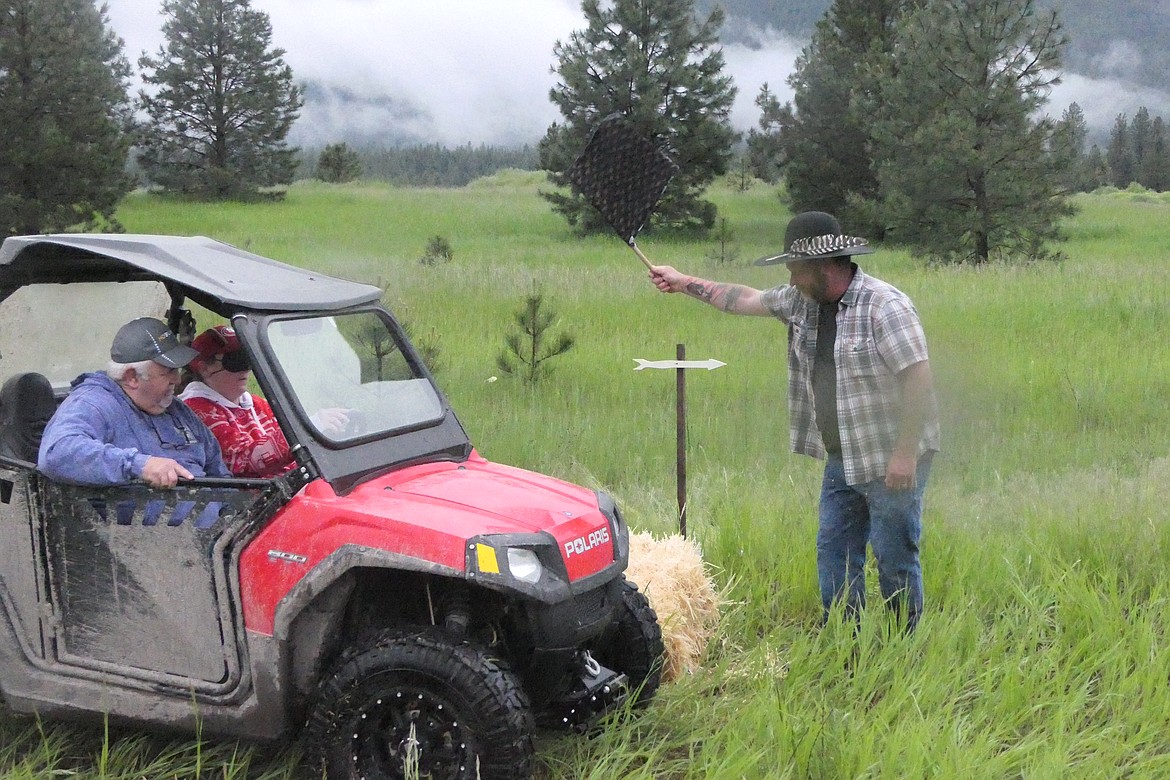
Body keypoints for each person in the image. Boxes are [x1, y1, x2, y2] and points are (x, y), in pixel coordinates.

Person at [649, 211, 940, 631]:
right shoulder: (802, 301)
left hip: (891, 453)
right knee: (834, 552)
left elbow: (918, 379)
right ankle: (844, 641)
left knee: (894, 555)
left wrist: (905, 455)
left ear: (824, 266)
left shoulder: (884, 306)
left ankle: (902, 646)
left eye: (795, 269)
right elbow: (742, 298)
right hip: (842, 455)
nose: (789, 280)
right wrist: (681, 281)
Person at [38, 317, 230, 488]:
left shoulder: (176, 410)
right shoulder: (93, 404)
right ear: (132, 377)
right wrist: (140, 465)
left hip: (220, 524)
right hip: (142, 526)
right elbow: (57, 454)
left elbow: (220, 474)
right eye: (169, 371)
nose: (178, 380)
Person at [179, 325, 297, 478]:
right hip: (253, 498)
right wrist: (299, 436)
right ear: (204, 368)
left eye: (249, 358)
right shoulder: (197, 410)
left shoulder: (257, 404)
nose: (246, 368)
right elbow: (242, 461)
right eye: (235, 360)